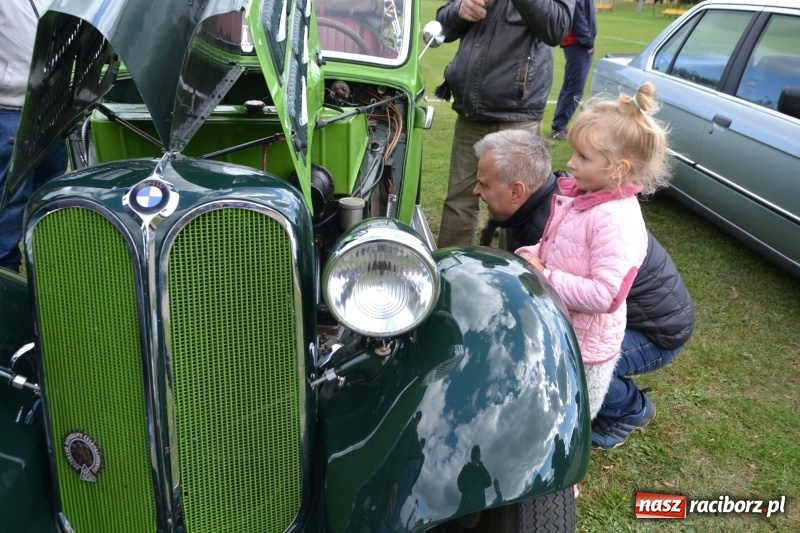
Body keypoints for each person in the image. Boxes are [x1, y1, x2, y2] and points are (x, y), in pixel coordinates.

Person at [474, 127, 695, 450]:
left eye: (484, 184)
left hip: (655, 333)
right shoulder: (566, 197)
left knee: (569, 364)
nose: (475, 192)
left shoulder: (598, 218)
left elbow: (601, 295)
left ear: (517, 191)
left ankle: (630, 409)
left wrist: (544, 275)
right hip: (608, 320)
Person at [515, 83, 671, 420]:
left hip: (588, 347)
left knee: (573, 409)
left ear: (620, 169)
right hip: (564, 325)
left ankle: (623, 418)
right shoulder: (584, 198)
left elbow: (607, 294)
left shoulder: (617, 220)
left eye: (583, 157)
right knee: (549, 394)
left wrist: (545, 276)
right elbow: (555, 246)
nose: (570, 163)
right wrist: (527, 254)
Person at [434, 0, 575, 248]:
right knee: (459, 202)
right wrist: (459, 11)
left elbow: (557, 27)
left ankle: (513, 280)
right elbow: (441, 24)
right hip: (471, 109)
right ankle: (449, 274)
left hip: (518, 112)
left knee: (518, 203)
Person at [0, 0, 68, 272]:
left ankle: (42, 268)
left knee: (48, 192)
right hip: (11, 108)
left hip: (52, 108)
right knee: (12, 198)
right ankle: (5, 275)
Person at [550, 0, 596, 141]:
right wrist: (587, 42)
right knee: (575, 88)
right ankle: (558, 127)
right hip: (578, 44)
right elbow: (578, 16)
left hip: (576, 43)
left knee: (570, 86)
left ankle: (559, 125)